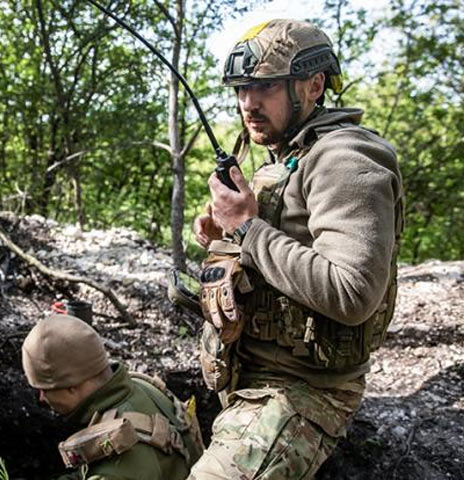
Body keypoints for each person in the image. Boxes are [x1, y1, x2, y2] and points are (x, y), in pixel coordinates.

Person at [188, 19, 403, 479]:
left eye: (264, 86)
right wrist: (224, 237)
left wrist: (246, 228)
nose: (248, 102)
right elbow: (284, 246)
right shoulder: (290, 154)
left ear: (313, 84)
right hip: (250, 376)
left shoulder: (345, 158)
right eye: (242, 88)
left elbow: (352, 292)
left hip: (304, 389)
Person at [22, 313, 204, 479]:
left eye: (45, 390)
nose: (42, 398)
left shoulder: (120, 459)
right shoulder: (142, 384)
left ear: (72, 387)